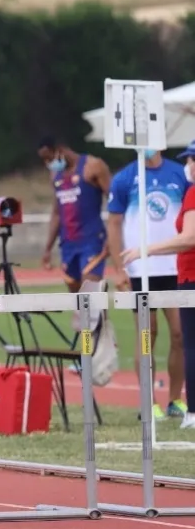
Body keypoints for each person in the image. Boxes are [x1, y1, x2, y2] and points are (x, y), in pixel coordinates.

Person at [107, 148, 189, 420]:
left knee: (179, 334)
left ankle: (175, 400)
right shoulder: (124, 178)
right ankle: (148, 402)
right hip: (140, 269)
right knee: (147, 334)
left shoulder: (179, 174)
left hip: (173, 267)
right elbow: (114, 224)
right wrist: (119, 269)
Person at [38, 137, 112, 292]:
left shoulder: (93, 166)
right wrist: (48, 248)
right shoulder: (55, 175)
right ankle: (100, 301)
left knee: (89, 293)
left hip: (92, 240)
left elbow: (115, 202)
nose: (48, 163)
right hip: (68, 243)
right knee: (76, 293)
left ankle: (97, 296)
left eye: (49, 158)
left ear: (60, 150)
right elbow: (57, 213)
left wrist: (113, 236)